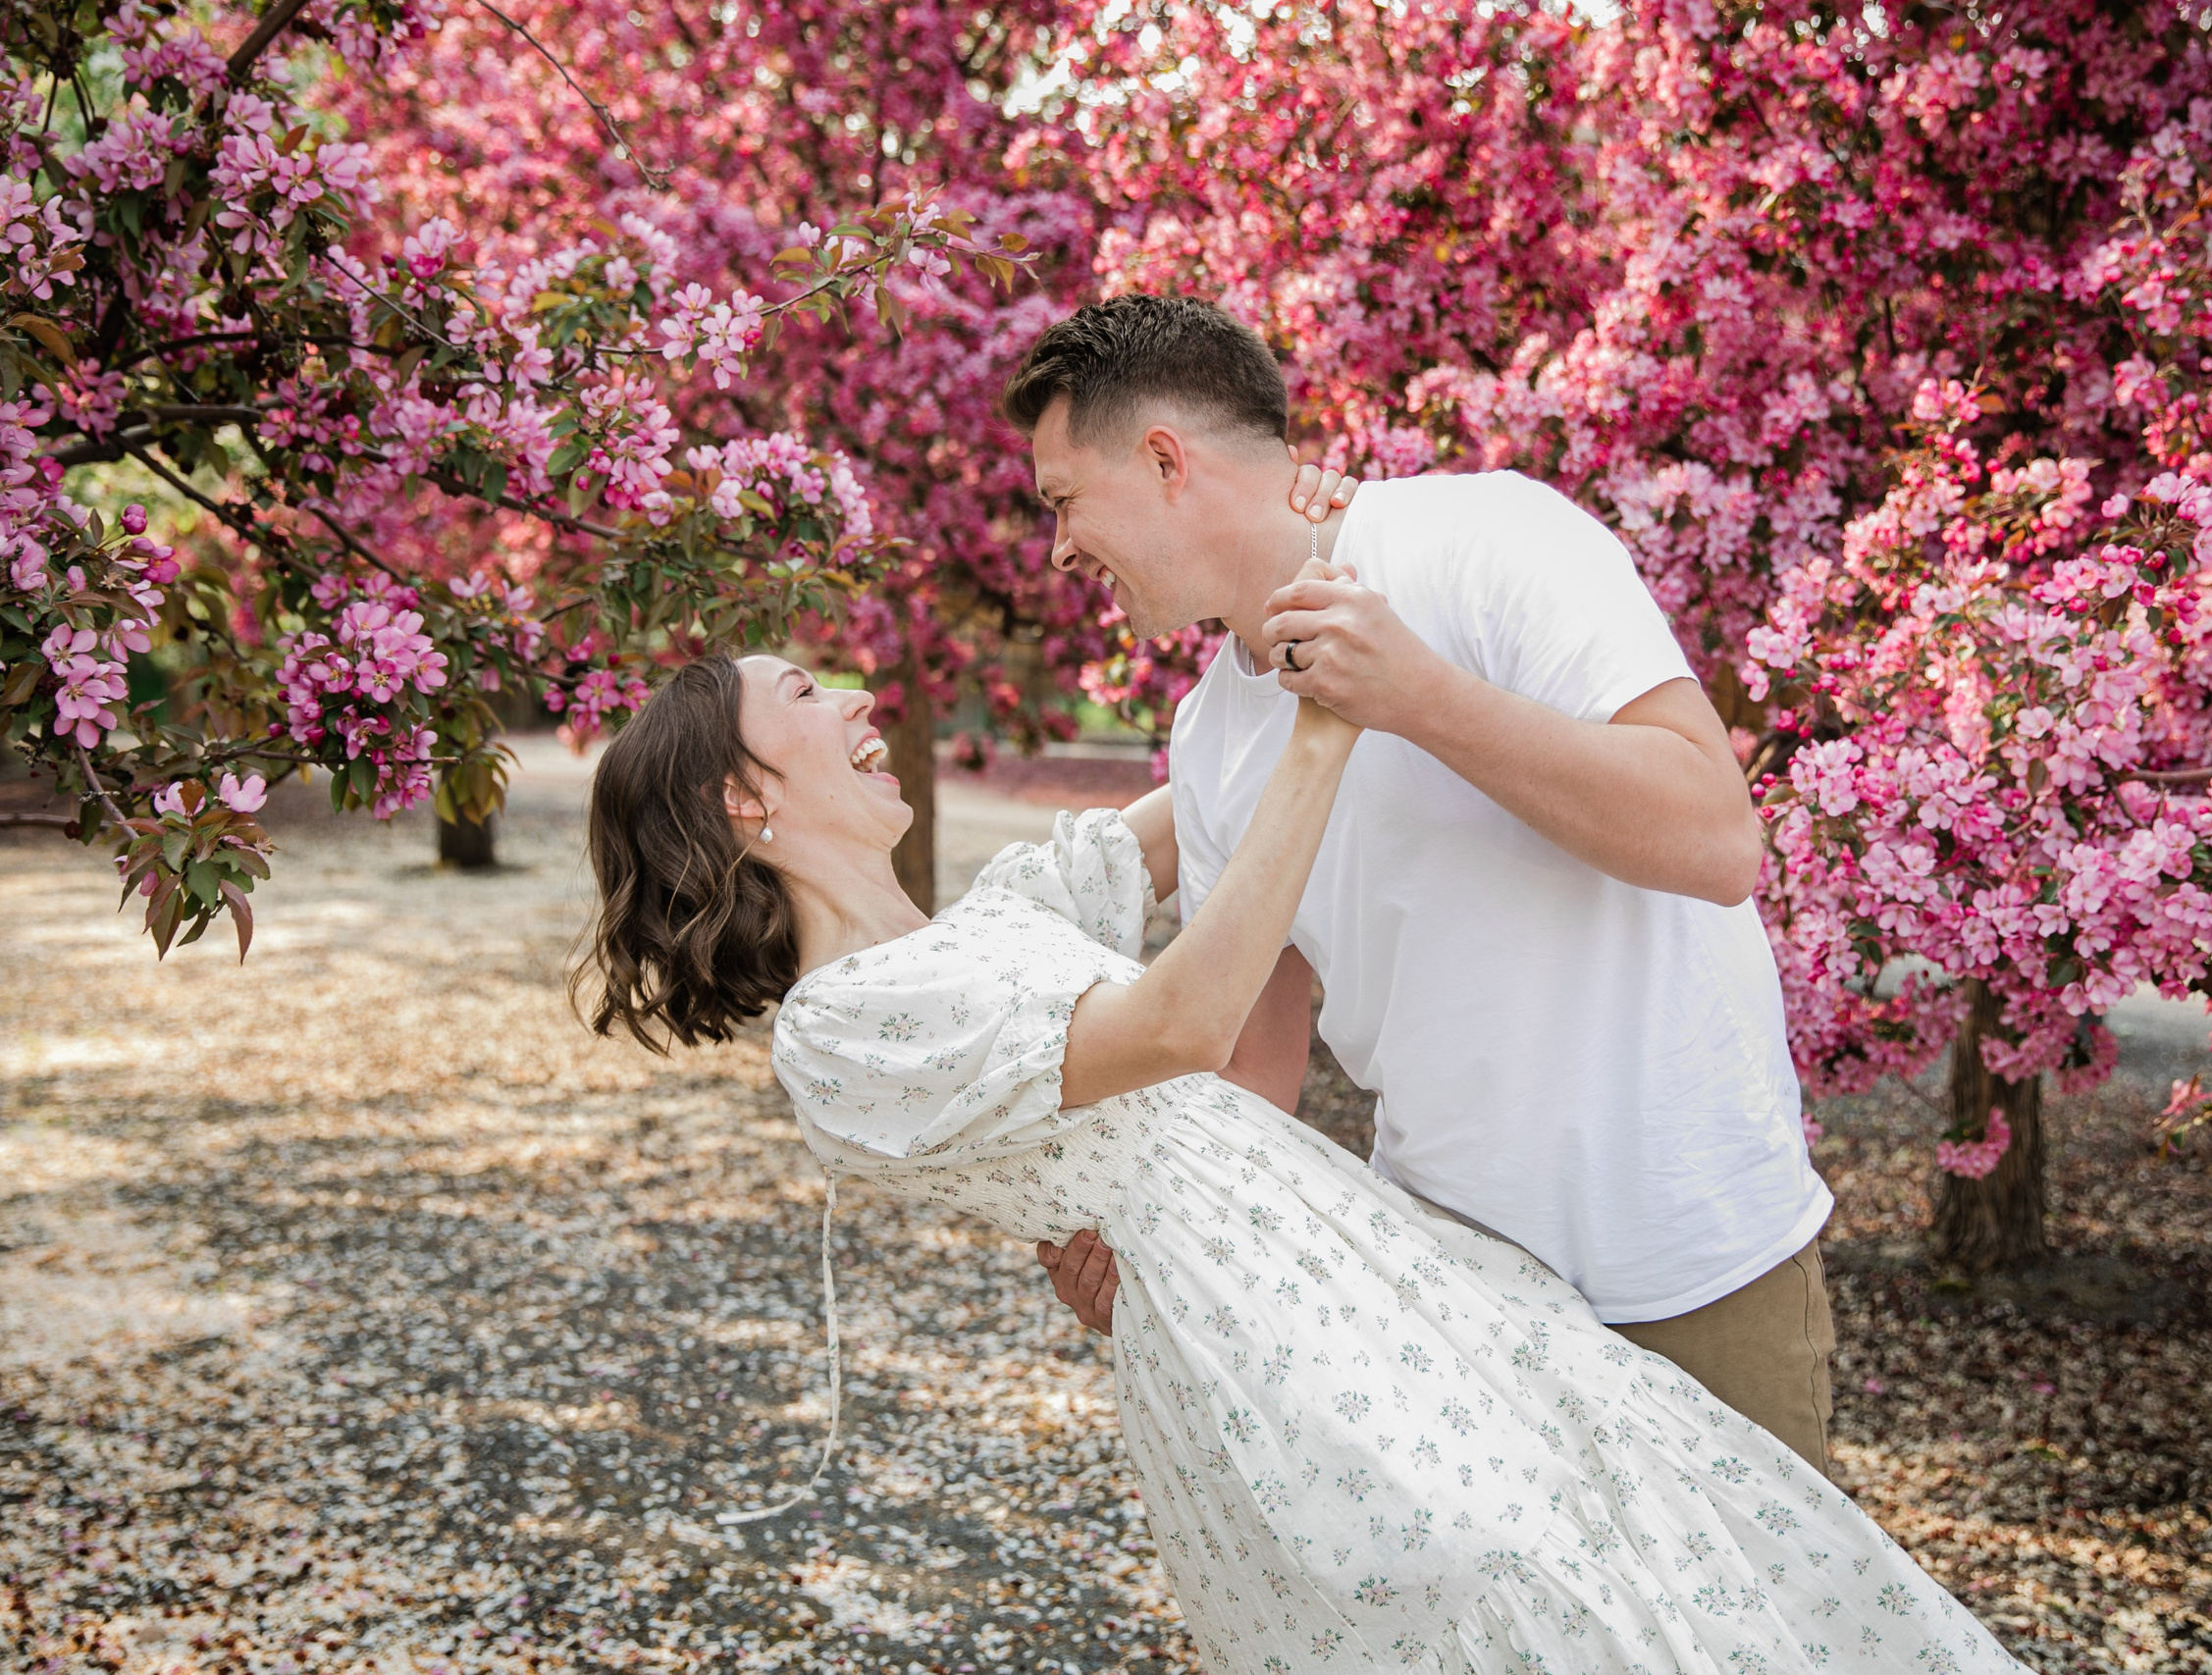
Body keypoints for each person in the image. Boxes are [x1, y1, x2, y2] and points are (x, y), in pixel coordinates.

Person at [578, 649, 2028, 1674]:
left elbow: (1214, 766)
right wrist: (1329, 738)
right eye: (804, 695)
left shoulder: (1002, 912)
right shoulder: (840, 1028)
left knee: (1637, 1537)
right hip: (1254, 1335)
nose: (855, 697)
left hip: (1353, 1256)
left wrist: (1294, 593)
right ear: (742, 804)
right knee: (1492, 1583)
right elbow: (1189, 1014)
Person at [1011, 295, 1841, 1476]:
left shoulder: (1487, 539)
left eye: (1062, 503)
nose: (1058, 551)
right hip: (1449, 1299)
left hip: (1694, 1265)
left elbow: (1715, 841)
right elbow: (1251, 1063)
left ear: (1161, 461)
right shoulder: (1207, 740)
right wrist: (1145, 1223)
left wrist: (1415, 696)